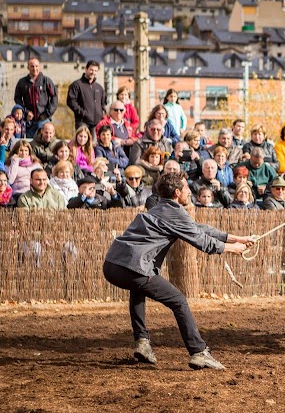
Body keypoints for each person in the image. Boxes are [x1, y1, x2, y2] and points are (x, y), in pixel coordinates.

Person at [102, 171, 256, 370]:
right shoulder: (175, 212)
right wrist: (235, 249)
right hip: (135, 266)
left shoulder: (159, 208)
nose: (189, 193)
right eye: (185, 189)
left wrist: (237, 239)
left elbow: (199, 229)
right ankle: (198, 352)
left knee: (138, 288)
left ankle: (142, 342)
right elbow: (203, 241)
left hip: (112, 264)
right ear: (177, 192)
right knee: (179, 301)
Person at [14, 57, 58, 136]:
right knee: (30, 144)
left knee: (45, 142)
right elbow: (17, 98)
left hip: (44, 120)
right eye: (32, 66)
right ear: (28, 67)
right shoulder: (22, 82)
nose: (34, 68)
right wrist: (25, 111)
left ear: (39, 67)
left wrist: (47, 114)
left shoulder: (46, 81)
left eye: (36, 66)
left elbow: (54, 97)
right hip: (29, 121)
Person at [66, 60, 107, 133]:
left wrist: (102, 114)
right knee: (82, 143)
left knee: (95, 144)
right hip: (82, 122)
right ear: (86, 69)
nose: (93, 72)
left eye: (95, 70)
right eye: (91, 70)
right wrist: (83, 113)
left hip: (97, 123)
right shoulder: (77, 85)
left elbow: (103, 103)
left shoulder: (99, 87)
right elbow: (71, 101)